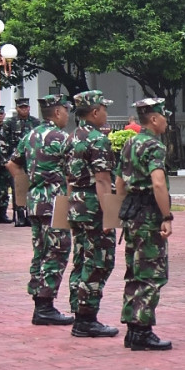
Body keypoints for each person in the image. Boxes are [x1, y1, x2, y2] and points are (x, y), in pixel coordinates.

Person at [6, 94, 74, 326]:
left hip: (35, 202)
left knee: (40, 252)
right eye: (66, 110)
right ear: (57, 112)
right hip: (56, 203)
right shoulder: (62, 138)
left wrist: (27, 191)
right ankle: (45, 305)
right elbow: (72, 172)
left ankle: (39, 301)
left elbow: (12, 163)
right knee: (57, 251)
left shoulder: (30, 136)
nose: (67, 114)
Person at [115, 97, 173, 351]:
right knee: (151, 274)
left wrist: (122, 210)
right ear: (153, 119)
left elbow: (119, 182)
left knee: (134, 272)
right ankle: (142, 331)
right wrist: (166, 216)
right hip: (149, 215)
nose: (166, 121)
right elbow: (158, 183)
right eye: (164, 116)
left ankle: (132, 328)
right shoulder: (154, 145)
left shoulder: (130, 143)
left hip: (132, 213)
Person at [65, 91, 119, 338]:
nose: (106, 114)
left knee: (80, 259)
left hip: (77, 205)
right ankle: (87, 318)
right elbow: (103, 180)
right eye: (104, 109)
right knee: (99, 260)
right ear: (95, 112)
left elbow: (68, 178)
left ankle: (79, 312)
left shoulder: (72, 137)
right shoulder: (98, 140)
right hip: (93, 207)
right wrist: (110, 216)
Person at [2, 97, 41, 227]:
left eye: (26, 107)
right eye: (21, 107)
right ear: (17, 108)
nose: (24, 109)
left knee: (31, 187)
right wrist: (7, 159)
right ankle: (19, 216)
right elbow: (3, 142)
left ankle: (30, 215)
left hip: (31, 160)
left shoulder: (35, 122)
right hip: (16, 160)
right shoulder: (10, 123)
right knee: (18, 187)